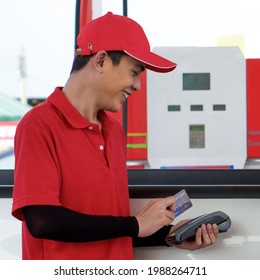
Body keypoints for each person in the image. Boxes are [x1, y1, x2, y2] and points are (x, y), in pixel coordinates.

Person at [11, 12, 218, 260]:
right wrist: (134, 224)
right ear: (100, 61)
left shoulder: (113, 131)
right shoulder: (38, 125)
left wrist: (169, 235)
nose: (138, 85)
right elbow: (42, 221)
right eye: (134, 72)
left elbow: (110, 227)